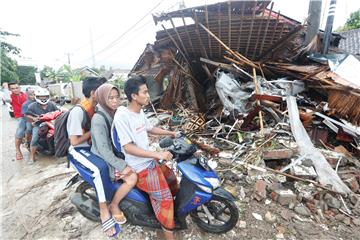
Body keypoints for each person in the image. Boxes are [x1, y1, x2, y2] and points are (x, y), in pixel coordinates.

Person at [113, 75, 178, 240]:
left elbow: (150, 129)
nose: (148, 96)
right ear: (134, 96)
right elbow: (128, 147)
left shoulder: (139, 112)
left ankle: (167, 212)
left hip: (149, 160)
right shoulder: (123, 116)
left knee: (171, 179)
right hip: (140, 167)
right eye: (145, 92)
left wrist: (172, 133)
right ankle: (168, 232)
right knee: (165, 199)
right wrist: (157, 154)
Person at [66, 77, 121, 238]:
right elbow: (74, 141)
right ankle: (104, 211)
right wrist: (96, 131)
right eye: (104, 92)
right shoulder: (78, 111)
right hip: (79, 149)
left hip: (93, 146)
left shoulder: (99, 107)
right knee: (100, 168)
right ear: (93, 93)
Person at [90, 83, 137, 225]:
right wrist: (122, 166)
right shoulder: (99, 119)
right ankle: (114, 204)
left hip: (116, 151)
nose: (115, 101)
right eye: (110, 98)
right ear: (103, 99)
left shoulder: (114, 112)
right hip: (105, 156)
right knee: (132, 178)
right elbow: (104, 150)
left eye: (117, 97)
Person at [26, 88, 58, 163]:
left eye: (45, 96)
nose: (43, 98)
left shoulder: (52, 104)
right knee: (34, 139)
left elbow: (58, 112)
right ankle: (32, 156)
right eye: (41, 97)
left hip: (51, 123)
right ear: (37, 97)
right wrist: (34, 118)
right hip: (39, 125)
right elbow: (27, 115)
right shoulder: (32, 106)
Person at [8, 81, 28, 160]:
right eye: (12, 89)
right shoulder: (10, 97)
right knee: (20, 131)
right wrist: (6, 88)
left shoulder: (25, 95)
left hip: (30, 115)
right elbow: (6, 98)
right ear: (10, 90)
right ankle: (18, 151)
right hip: (20, 117)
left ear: (19, 87)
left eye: (16, 88)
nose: (15, 90)